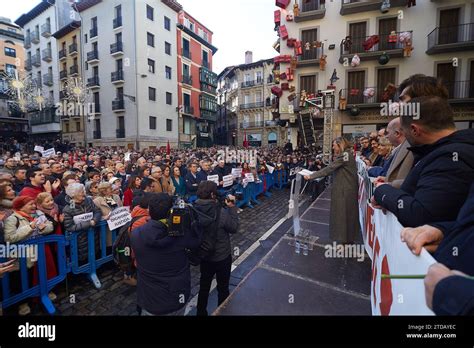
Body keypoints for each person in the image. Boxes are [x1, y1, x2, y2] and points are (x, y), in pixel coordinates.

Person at [373, 96, 474, 227]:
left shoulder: (448, 157)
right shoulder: (445, 151)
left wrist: (383, 191)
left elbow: (421, 216)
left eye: (404, 131)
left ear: (414, 130)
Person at [131, 193, 199, 316]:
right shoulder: (181, 235)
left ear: (149, 211)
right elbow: (197, 243)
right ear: (171, 213)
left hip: (148, 297)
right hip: (175, 295)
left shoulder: (136, 233)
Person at [4, 196, 55, 315]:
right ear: (20, 206)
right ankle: (22, 303)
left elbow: (50, 226)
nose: (34, 206)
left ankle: (42, 293)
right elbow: (9, 237)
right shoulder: (13, 219)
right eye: (30, 204)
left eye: (34, 204)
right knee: (21, 280)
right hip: (22, 257)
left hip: (38, 253)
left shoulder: (38, 214)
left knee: (38, 275)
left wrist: (43, 228)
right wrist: (30, 227)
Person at [194, 181, 238, 316]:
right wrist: (231, 208)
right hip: (221, 256)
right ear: (213, 194)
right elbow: (234, 227)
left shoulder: (193, 208)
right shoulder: (221, 213)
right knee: (223, 287)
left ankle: (201, 312)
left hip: (205, 254)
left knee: (204, 287)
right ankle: (222, 311)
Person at [304, 138, 359, 243]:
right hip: (346, 189)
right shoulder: (347, 154)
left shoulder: (345, 155)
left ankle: (343, 240)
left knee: (342, 215)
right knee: (346, 215)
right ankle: (346, 239)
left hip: (345, 190)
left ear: (340, 145)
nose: (333, 148)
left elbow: (329, 169)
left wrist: (311, 176)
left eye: (334, 145)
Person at [63, 183, 102, 263]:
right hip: (79, 240)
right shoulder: (68, 209)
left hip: (93, 235)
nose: (84, 193)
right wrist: (89, 223)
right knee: (83, 260)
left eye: (84, 190)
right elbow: (69, 227)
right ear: (74, 195)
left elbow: (97, 211)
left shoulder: (88, 200)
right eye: (81, 191)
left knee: (95, 254)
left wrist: (94, 220)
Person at [374, 117, 414, 189]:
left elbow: (414, 181)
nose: (386, 136)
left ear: (397, 134)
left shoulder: (412, 149)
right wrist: (386, 179)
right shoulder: (399, 148)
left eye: (388, 133)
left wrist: (389, 185)